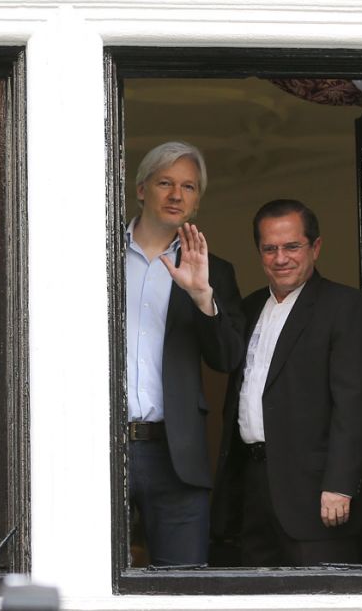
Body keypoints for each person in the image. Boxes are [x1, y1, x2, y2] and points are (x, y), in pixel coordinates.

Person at [210, 199, 362, 567]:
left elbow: (355, 405)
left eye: (292, 246)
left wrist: (340, 485)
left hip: (317, 495)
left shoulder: (346, 307)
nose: (280, 258)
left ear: (315, 247)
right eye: (270, 249)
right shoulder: (251, 306)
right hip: (253, 486)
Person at [125, 141, 244, 566]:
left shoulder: (215, 271)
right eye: (165, 183)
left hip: (175, 454)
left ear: (197, 200)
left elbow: (228, 359)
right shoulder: (97, 258)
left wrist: (202, 297)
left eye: (189, 187)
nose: (177, 195)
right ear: (142, 190)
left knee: (183, 586)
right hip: (98, 448)